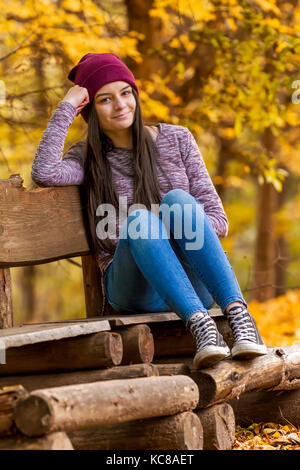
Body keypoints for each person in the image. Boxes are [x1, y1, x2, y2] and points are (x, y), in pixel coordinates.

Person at [31, 52, 267, 369]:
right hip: (132, 288)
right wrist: (66, 106)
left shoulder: (177, 139)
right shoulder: (87, 156)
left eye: (126, 93)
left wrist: (171, 227)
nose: (120, 105)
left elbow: (218, 222)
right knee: (140, 220)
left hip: (191, 281)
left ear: (136, 95)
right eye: (105, 99)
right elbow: (44, 173)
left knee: (179, 202)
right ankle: (202, 328)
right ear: (90, 110)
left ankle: (239, 317)